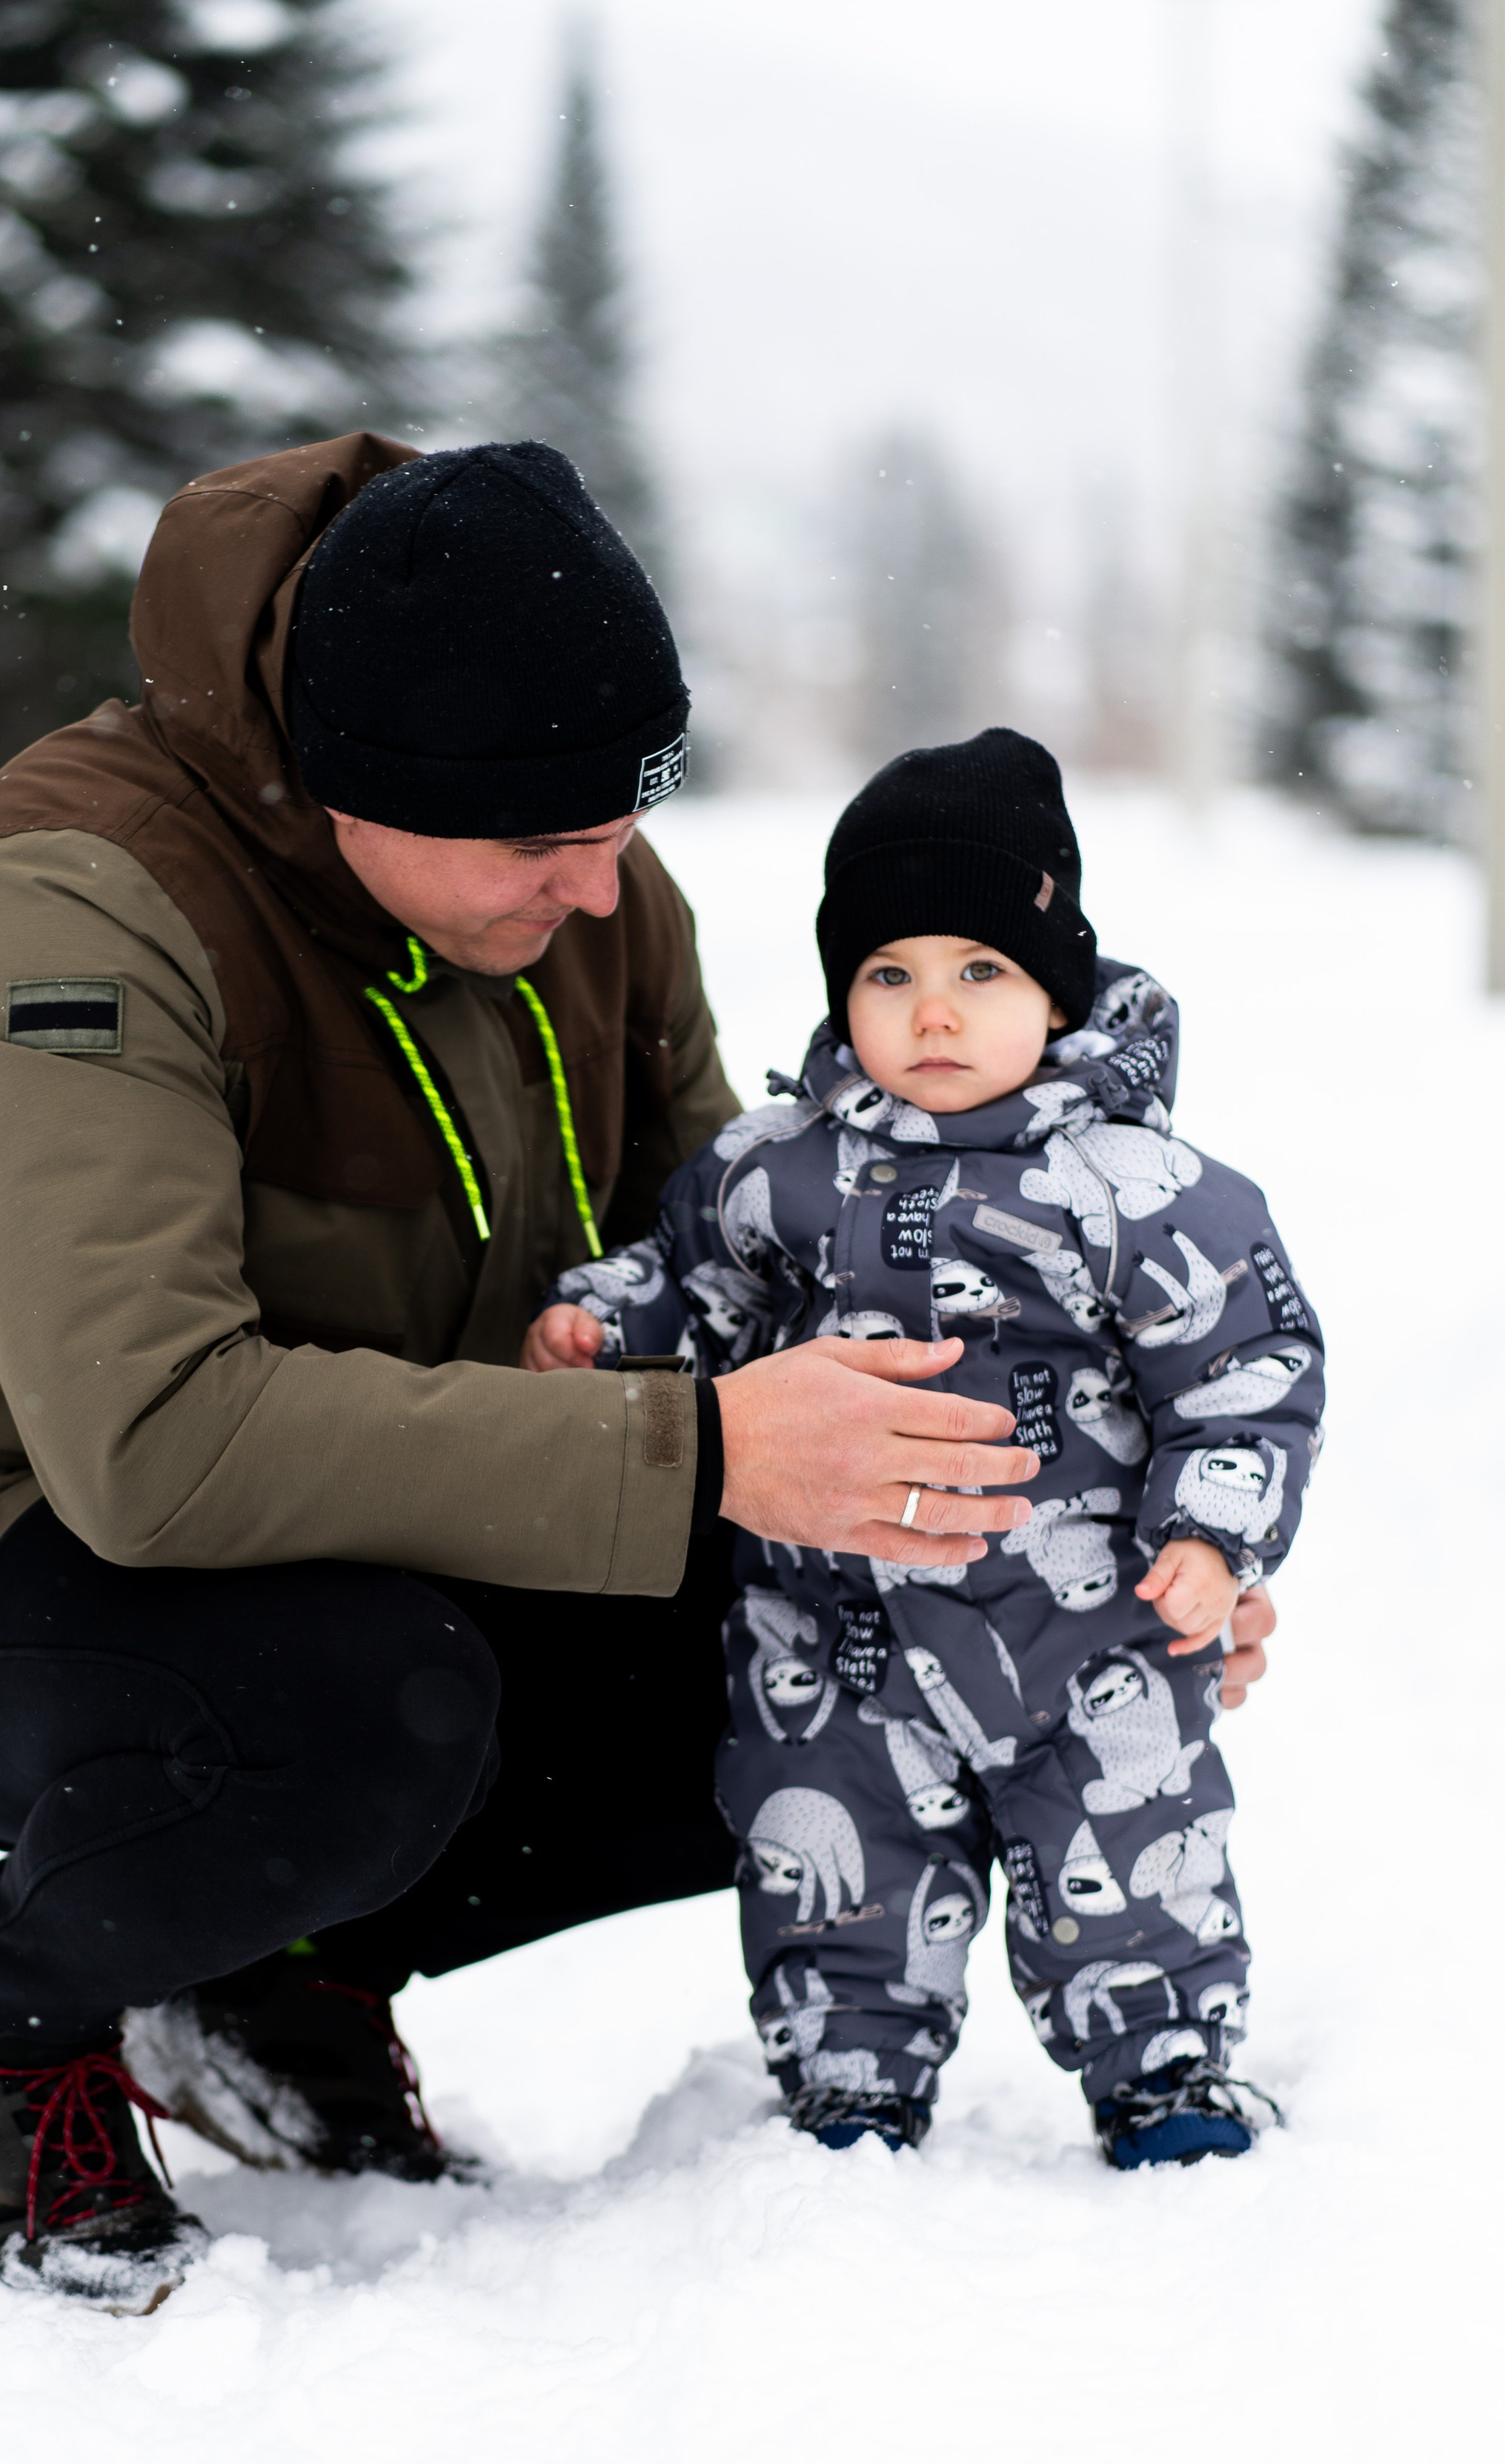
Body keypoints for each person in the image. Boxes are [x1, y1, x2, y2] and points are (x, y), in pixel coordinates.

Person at [0, 444, 1274, 2310]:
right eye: (540, 842)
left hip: (392, 1507)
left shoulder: (588, 901)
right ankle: (4, 2035)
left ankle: (279, 1981)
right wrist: (699, 1446)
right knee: (349, 1707)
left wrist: (1089, 1565)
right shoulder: (79, 910)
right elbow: (147, 1443)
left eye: (620, 821)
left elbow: (778, 1292)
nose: (597, 883)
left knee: (850, 1650)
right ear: (359, 788)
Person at [524, 727, 1318, 2168]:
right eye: (887, 975)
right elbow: (693, 1284)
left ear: (1054, 988)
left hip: (1087, 1631)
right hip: (832, 1633)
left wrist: (1210, 1534)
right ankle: (847, 2081)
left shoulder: (1139, 1191)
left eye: (979, 973)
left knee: (1130, 1859)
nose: (931, 1013)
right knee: (832, 1867)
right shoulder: (778, 1168)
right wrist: (603, 1324)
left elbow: (1242, 1372)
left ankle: (1162, 2069)